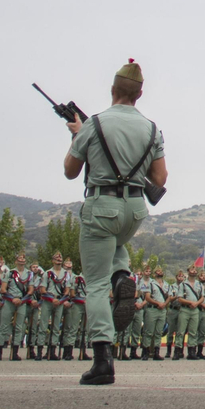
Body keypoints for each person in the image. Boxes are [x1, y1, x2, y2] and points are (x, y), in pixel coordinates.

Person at [60, 60, 167, 385]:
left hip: (102, 204)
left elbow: (70, 169)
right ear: (140, 93)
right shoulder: (151, 128)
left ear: (113, 90)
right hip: (134, 209)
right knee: (117, 246)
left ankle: (103, 358)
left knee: (94, 283)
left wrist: (79, 135)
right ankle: (122, 275)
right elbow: (159, 178)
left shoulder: (94, 124)